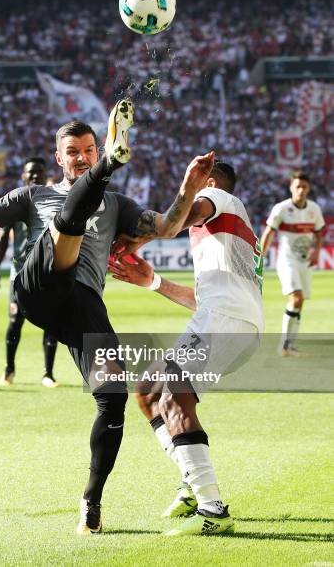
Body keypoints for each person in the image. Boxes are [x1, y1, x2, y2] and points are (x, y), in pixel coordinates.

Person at [0, 99, 214, 535]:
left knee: (113, 399)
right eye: (75, 152)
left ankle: (91, 501)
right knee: (68, 221)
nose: (81, 157)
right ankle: (116, 159)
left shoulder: (117, 205)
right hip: (38, 286)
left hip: (81, 306)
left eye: (90, 151)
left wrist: (188, 187)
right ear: (59, 157)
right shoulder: (34, 196)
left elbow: (166, 226)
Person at [110, 162, 264, 536]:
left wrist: (143, 237)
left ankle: (213, 510)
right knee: (148, 391)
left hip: (225, 322)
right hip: (228, 321)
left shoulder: (216, 196)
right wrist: (153, 281)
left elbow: (179, 217)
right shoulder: (220, 236)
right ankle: (193, 486)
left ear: (208, 184)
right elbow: (203, 300)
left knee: (173, 397)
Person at [0, 158, 59, 388]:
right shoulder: (16, 202)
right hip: (19, 273)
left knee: (52, 322)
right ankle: (9, 370)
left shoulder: (54, 200)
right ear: (24, 176)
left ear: (45, 174)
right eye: (31, 173)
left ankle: (48, 374)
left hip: (47, 272)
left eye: (39, 172)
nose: (35, 176)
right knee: (15, 321)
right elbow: (2, 238)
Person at [260, 171, 325, 356]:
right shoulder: (281, 208)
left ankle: (289, 346)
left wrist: (317, 251)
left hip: (305, 263)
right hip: (287, 260)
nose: (301, 190)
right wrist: (261, 257)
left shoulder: (314, 209)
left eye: (304, 187)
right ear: (291, 188)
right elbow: (269, 233)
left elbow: (319, 232)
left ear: (309, 188)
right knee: (296, 298)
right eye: (298, 187)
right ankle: (284, 346)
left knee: (300, 302)